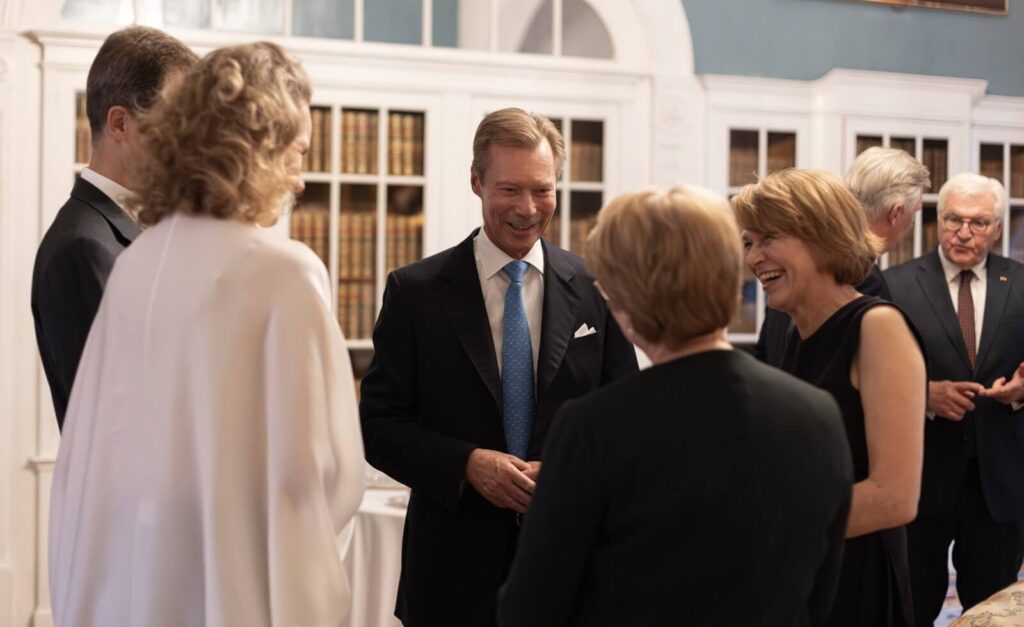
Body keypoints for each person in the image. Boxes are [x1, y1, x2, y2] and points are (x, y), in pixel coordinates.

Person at [48, 42, 365, 627]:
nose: (299, 181)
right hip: (236, 590)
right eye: (296, 154)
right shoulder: (286, 272)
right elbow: (319, 477)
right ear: (258, 150)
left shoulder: (139, 264)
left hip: (138, 587)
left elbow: (93, 454)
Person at [497, 186, 854, 627]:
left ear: (627, 298)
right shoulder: (818, 414)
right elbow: (819, 596)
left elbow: (531, 609)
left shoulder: (595, 427)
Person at [359, 107, 638, 627]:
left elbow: (628, 418)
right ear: (476, 181)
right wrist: (467, 464)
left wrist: (569, 472)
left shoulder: (596, 287)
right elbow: (378, 427)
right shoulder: (415, 292)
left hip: (572, 573)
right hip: (449, 578)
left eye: (543, 190)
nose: (528, 209)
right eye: (509, 190)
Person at [735, 168, 926, 626]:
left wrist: (765, 531)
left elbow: (895, 497)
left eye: (768, 238)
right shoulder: (792, 328)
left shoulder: (877, 327)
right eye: (748, 242)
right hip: (804, 575)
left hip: (854, 582)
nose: (754, 257)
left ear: (823, 236)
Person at [32, 26, 198, 430]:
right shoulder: (83, 245)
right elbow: (120, 421)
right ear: (120, 124)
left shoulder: (128, 231)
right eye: (175, 126)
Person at [884, 172, 1024, 623]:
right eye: (953, 220)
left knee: (992, 613)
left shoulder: (1020, 282)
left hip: (999, 485)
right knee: (909, 608)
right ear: (937, 220)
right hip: (920, 483)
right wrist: (922, 395)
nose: (964, 232)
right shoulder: (896, 284)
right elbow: (870, 373)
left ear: (998, 228)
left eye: (979, 223)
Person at [753, 147, 930, 367]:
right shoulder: (860, 277)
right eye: (914, 214)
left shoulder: (804, 259)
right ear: (896, 213)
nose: (912, 225)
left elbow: (764, 355)